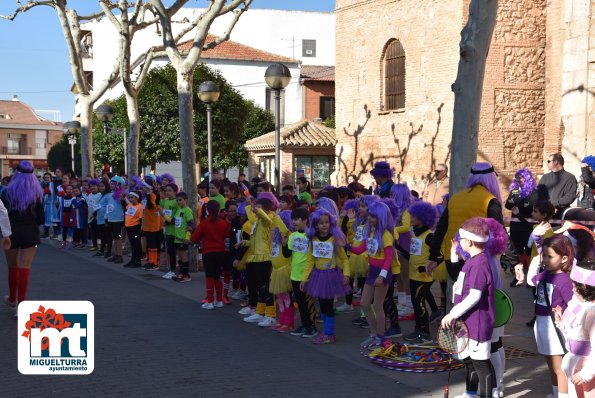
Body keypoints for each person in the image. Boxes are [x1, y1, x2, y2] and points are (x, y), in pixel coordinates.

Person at [429, 162, 504, 311]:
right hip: (478, 260)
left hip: (453, 259)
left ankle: (458, 328)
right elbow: (500, 233)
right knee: (479, 302)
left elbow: (440, 230)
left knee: (461, 298)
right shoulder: (490, 200)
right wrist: (515, 263)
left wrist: (433, 256)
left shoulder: (455, 198)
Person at [440, 217, 496, 398]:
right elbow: (461, 280)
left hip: (477, 323)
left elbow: (475, 295)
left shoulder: (480, 263)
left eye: (461, 240)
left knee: (481, 363)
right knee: (469, 361)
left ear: (470, 241)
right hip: (466, 321)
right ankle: (470, 393)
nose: (460, 242)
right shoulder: (473, 260)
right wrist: (454, 254)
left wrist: (452, 313)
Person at [528, 235, 575, 398]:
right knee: (551, 365)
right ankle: (556, 393)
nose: (546, 260)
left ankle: (563, 395)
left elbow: (573, 305)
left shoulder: (564, 280)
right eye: (545, 256)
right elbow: (530, 280)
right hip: (542, 324)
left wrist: (563, 317)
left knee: (559, 368)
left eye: (550, 256)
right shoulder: (546, 274)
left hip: (554, 327)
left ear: (563, 258)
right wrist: (536, 260)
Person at [346, 201, 394, 347]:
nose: (370, 218)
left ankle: (381, 337)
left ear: (381, 217)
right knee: (365, 304)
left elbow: (389, 258)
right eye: (370, 216)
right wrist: (345, 245)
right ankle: (374, 334)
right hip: (372, 271)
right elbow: (360, 249)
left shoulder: (386, 235)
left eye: (373, 216)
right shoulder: (371, 231)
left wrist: (382, 276)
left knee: (378, 305)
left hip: (382, 273)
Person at [300, 208, 351, 344]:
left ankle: (329, 333)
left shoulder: (335, 240)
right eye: (320, 223)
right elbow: (310, 260)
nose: (324, 225)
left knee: (328, 306)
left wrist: (346, 274)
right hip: (318, 275)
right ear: (315, 225)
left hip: (331, 276)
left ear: (331, 223)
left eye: (326, 222)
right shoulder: (314, 239)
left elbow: (344, 259)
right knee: (322, 305)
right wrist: (304, 278)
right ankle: (326, 332)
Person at [1, 161, 44, 318]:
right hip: (30, 232)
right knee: (25, 268)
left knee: (13, 267)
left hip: (10, 232)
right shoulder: (37, 193)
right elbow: (41, 218)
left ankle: (12, 298)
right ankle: (20, 306)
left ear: (16, 173)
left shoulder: (6, 192)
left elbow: (2, 215)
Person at [241, 193, 287, 326]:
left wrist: (256, 209)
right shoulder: (257, 222)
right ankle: (260, 312)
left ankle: (271, 315)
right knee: (259, 286)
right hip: (256, 256)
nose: (255, 210)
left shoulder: (268, 220)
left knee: (264, 287)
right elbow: (257, 241)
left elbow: (266, 220)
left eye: (259, 208)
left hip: (264, 257)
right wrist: (244, 242)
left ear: (266, 210)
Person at [553, 258, 595, 398]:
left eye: (575, 285)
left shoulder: (592, 313)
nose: (572, 288)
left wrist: (586, 374)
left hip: (586, 366)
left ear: (585, 287)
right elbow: (575, 331)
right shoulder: (578, 304)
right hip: (574, 362)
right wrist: (561, 321)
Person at [402, 201, 438, 344]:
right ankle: (418, 329)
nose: (411, 219)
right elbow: (414, 255)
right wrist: (400, 249)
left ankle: (425, 334)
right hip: (413, 275)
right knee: (416, 304)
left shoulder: (429, 236)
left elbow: (438, 255)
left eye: (414, 217)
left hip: (422, 278)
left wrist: (427, 267)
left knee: (420, 304)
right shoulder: (416, 235)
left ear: (422, 218)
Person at [283, 207, 318, 338]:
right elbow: (287, 255)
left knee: (308, 302)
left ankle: (312, 326)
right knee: (300, 302)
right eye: (292, 219)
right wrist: (284, 244)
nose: (294, 222)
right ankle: (304, 324)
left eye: (296, 219)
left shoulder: (311, 235)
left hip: (307, 275)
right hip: (295, 274)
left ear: (305, 220)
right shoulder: (293, 235)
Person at [191, 200, 231, 309]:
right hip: (220, 252)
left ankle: (210, 300)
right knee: (217, 276)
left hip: (208, 252)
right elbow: (226, 237)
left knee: (209, 276)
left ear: (207, 210)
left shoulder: (204, 223)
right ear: (219, 209)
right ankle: (219, 299)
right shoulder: (224, 223)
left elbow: (194, 238)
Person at [505, 168, 538, 286]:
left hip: (528, 225)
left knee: (529, 250)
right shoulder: (514, 190)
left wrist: (517, 204)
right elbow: (508, 205)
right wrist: (518, 202)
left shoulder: (534, 192)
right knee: (516, 249)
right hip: (516, 225)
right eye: (517, 177)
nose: (518, 179)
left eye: (521, 177)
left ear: (527, 178)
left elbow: (531, 207)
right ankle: (518, 277)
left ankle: (531, 278)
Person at [269, 210, 295, 332]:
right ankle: (282, 320)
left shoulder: (287, 235)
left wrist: (277, 217)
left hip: (285, 270)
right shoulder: (274, 238)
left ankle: (289, 322)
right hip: (276, 270)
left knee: (287, 297)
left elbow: (284, 230)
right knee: (279, 297)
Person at [172, 192, 194, 282]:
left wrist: (187, 237)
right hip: (177, 237)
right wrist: (163, 215)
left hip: (183, 238)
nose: (178, 202)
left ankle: (186, 275)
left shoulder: (187, 210)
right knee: (180, 256)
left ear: (185, 200)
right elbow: (174, 220)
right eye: (177, 200)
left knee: (183, 255)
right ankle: (181, 273)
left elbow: (190, 224)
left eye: (180, 200)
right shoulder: (178, 210)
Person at [141, 179, 162, 271]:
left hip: (153, 226)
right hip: (147, 225)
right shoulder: (146, 197)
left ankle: (154, 262)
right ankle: (150, 260)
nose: (143, 188)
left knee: (153, 244)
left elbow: (150, 206)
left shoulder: (152, 196)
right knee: (149, 244)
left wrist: (149, 194)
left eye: (145, 187)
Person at [105, 176, 126, 264]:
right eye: (111, 184)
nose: (111, 185)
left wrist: (123, 200)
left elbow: (126, 206)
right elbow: (108, 207)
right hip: (111, 218)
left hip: (118, 219)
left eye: (113, 184)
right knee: (114, 237)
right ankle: (116, 254)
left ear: (118, 185)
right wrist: (106, 218)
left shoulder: (122, 194)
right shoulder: (110, 195)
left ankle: (120, 256)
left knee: (118, 238)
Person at [124, 191, 143, 268]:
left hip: (135, 227)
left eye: (132, 197)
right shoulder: (129, 205)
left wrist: (141, 228)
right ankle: (133, 260)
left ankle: (138, 261)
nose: (130, 199)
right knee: (132, 244)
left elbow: (141, 219)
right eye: (130, 197)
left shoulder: (140, 207)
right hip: (128, 227)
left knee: (136, 244)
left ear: (137, 198)